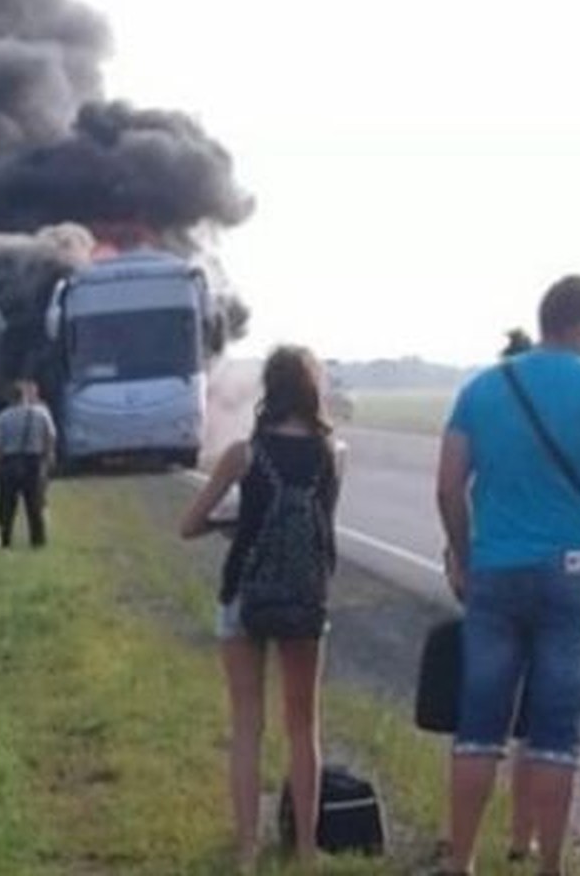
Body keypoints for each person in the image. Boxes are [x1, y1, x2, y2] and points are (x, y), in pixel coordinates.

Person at [435, 274, 580, 876]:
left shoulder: (482, 389)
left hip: (496, 570)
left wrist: (463, 556)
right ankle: (550, 865)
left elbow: (449, 485)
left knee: (479, 724)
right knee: (556, 729)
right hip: (573, 572)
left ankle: (462, 861)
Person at [179, 345, 343, 870]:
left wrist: (230, 524)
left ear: (269, 390)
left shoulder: (243, 455)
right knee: (304, 726)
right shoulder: (333, 454)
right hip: (305, 597)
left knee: (248, 723)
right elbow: (322, 526)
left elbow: (188, 525)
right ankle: (307, 850)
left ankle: (248, 848)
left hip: (245, 594)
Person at [0, 379, 56, 549]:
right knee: (34, 503)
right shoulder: (41, 414)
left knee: (6, 506)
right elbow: (50, 436)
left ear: (10, 398)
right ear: (25, 396)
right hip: (33, 461)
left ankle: (5, 541)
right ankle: (38, 541)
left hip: (10, 461)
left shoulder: (2, 417)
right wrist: (47, 457)